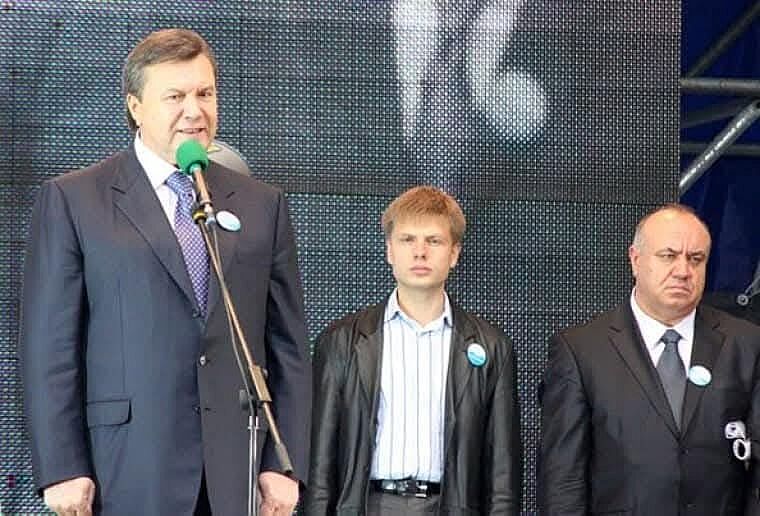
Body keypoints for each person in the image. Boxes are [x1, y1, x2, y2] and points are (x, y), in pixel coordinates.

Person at [19, 28, 311, 516]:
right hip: (126, 467)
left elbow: (289, 348)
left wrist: (284, 463)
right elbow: (49, 348)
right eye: (175, 96)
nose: (195, 111)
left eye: (205, 94)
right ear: (135, 107)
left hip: (234, 471)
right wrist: (62, 466)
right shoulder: (75, 200)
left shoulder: (262, 205)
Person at [304, 186, 521, 515]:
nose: (420, 252)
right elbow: (320, 464)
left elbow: (503, 473)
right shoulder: (341, 341)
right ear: (390, 250)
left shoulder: (492, 346)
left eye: (434, 241)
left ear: (454, 253)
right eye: (407, 240)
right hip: (367, 505)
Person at [539, 204, 760, 515]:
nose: (683, 271)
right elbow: (563, 481)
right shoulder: (581, 350)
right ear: (635, 259)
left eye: (696, 259)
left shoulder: (746, 344)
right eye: (668, 256)